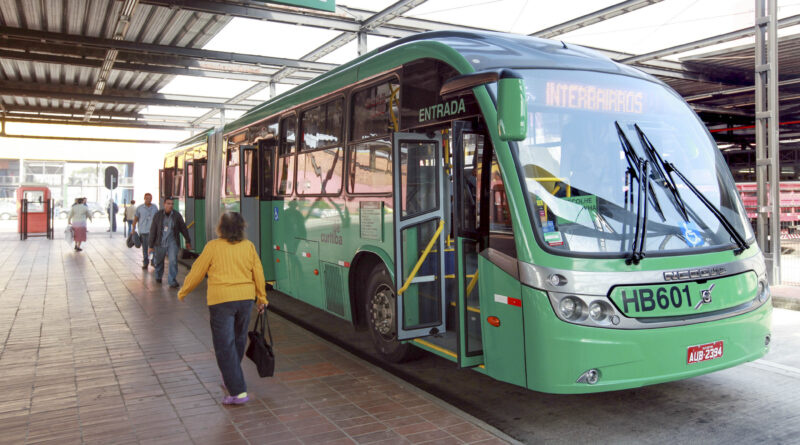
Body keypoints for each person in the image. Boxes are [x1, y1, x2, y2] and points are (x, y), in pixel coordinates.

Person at [178, 212, 267, 405]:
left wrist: (183, 291)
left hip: (221, 302)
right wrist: (261, 297)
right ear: (241, 227)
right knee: (238, 341)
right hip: (245, 300)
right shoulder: (248, 247)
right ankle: (230, 375)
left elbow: (197, 271)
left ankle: (238, 391)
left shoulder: (213, 247)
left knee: (224, 346)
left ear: (222, 228)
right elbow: (258, 272)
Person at [148, 196, 191, 288]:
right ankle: (158, 275)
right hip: (160, 242)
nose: (170, 206)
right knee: (159, 261)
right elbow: (153, 230)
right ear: (164, 204)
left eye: (172, 204)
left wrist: (188, 240)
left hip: (172, 242)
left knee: (173, 261)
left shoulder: (177, 215)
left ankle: (172, 280)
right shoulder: (158, 215)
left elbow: (183, 228)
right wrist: (151, 246)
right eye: (168, 204)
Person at [133, 193, 158, 269]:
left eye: (150, 198)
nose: (148, 200)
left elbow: (158, 218)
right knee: (145, 248)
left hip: (153, 232)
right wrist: (133, 229)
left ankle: (152, 261)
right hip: (143, 231)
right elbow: (136, 219)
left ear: (151, 199)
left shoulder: (154, 207)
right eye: (147, 198)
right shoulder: (140, 208)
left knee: (152, 248)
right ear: (144, 198)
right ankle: (145, 262)